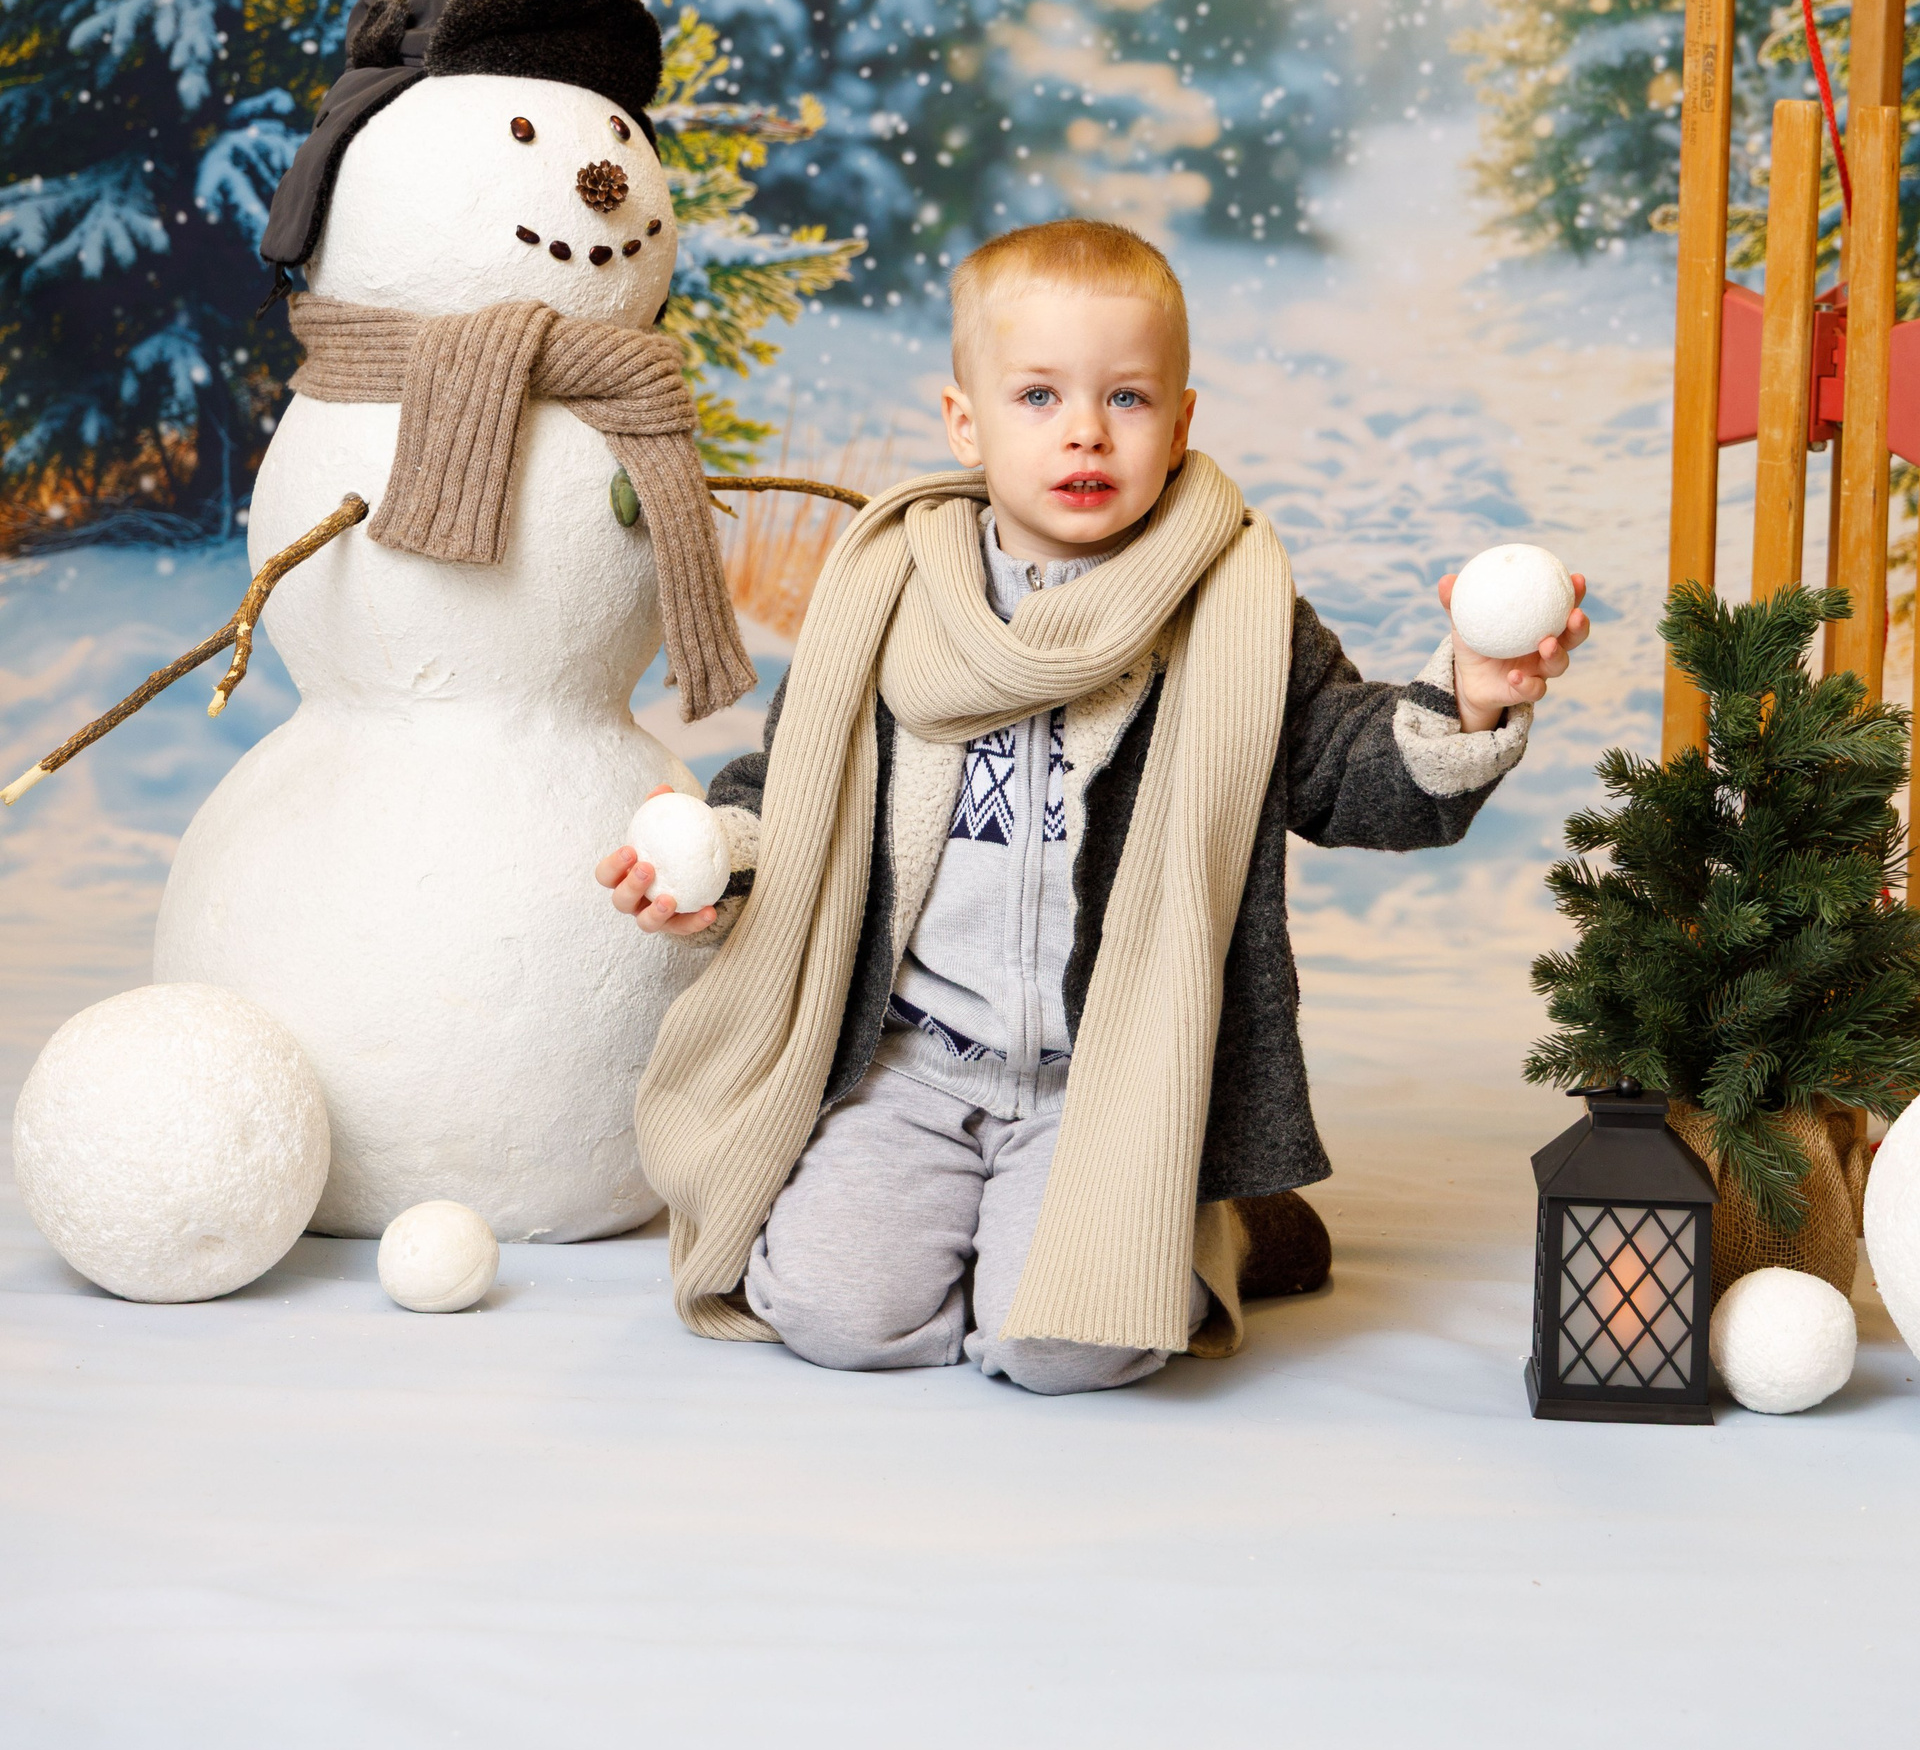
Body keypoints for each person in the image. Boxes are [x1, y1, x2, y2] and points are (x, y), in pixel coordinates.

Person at [597, 219, 1588, 1392]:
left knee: (1066, 1348)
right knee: (838, 1315)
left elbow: (1342, 771)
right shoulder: (888, 597)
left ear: (1181, 423)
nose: (1085, 430)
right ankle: (966, 1226)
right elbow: (795, 791)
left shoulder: (1232, 607)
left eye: (1127, 397)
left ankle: (1204, 1219)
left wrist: (1466, 700)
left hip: (1111, 1080)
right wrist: (715, 863)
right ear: (965, 421)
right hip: (914, 1063)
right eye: (1037, 396)